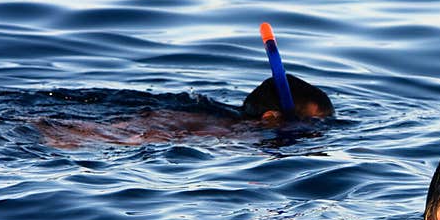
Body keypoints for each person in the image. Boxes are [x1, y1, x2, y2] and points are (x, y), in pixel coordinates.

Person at [36, 74, 334, 148]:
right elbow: (151, 135)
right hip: (89, 135)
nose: (313, 133)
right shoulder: (229, 136)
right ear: (270, 118)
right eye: (309, 126)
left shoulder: (214, 118)